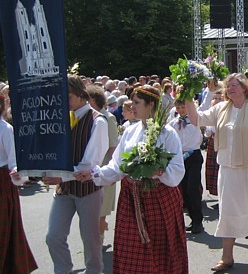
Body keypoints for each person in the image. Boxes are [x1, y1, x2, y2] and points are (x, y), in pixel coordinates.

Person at [76, 85, 188, 273]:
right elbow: (117, 166)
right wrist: (95, 173)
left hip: (159, 197)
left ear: (151, 104)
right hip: (131, 198)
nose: (132, 106)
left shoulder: (168, 134)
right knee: (131, 251)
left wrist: (159, 171)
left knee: (161, 251)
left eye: (136, 103)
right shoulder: (130, 131)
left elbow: (177, 169)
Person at [186, 73, 248, 272]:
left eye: (234, 85)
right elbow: (197, 119)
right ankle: (227, 257)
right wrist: (188, 96)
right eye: (227, 86)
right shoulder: (221, 108)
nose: (230, 88)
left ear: (245, 88)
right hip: (229, 169)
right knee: (228, 210)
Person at [44, 75, 109, 274]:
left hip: (88, 190)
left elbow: (89, 166)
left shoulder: (98, 122)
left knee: (90, 241)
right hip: (64, 189)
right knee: (53, 236)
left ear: (82, 95)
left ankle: (93, 272)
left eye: (68, 97)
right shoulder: (63, 118)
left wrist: (60, 176)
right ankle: (63, 270)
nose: (64, 102)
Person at [0, 94, 38, 273]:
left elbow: (14, 159)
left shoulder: (5, 128)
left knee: (3, 227)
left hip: (1, 182)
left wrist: (17, 172)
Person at [86, 85, 120, 245]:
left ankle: (98, 242)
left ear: (93, 100)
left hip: (104, 169)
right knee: (92, 211)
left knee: (101, 210)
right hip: (90, 172)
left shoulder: (108, 118)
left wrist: (112, 174)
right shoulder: (87, 118)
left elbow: (113, 147)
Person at [169, 98, 204, 234]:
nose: (182, 110)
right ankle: (191, 218)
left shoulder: (195, 120)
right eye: (179, 107)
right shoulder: (173, 123)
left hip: (194, 156)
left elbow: (206, 104)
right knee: (183, 189)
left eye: (184, 107)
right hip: (180, 157)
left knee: (192, 188)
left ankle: (198, 221)